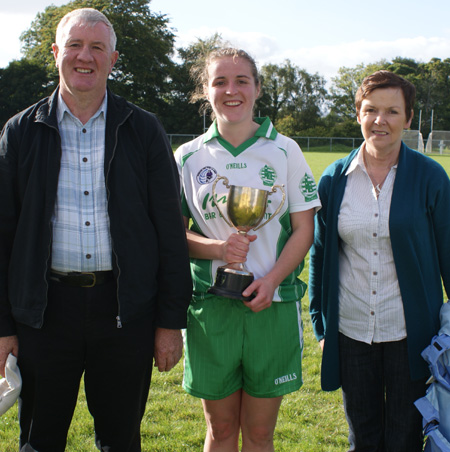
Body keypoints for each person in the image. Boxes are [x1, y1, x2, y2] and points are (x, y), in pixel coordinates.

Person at [0, 8, 192, 452]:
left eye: (97, 47)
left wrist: (169, 322)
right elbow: (4, 236)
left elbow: (168, 230)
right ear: (55, 53)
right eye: (74, 45)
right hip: (44, 313)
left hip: (124, 312)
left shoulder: (143, 129)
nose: (84, 56)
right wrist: (4, 324)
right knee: (39, 440)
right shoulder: (20, 131)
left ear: (113, 59)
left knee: (121, 441)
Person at [174, 47, 321, 452]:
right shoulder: (187, 157)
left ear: (257, 88)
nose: (231, 90)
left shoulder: (285, 149)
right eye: (219, 81)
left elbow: (304, 230)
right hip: (211, 308)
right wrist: (219, 248)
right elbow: (172, 237)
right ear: (205, 90)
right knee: (220, 431)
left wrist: (272, 280)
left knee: (259, 434)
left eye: (242, 80)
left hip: (271, 307)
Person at [309, 70, 450, 451]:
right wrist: (321, 326)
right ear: (358, 114)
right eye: (371, 110)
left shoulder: (431, 177)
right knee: (363, 435)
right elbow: (320, 254)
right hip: (352, 330)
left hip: (412, 333)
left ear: (408, 118)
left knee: (406, 435)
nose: (380, 121)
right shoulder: (335, 179)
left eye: (392, 111)